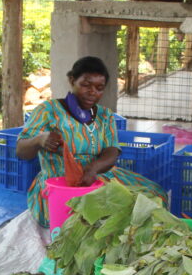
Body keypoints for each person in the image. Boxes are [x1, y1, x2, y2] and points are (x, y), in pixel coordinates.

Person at [15, 56, 166, 226]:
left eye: (99, 88)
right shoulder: (48, 111)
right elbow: (21, 151)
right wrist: (39, 140)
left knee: (154, 196)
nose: (92, 92)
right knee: (84, 219)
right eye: (86, 85)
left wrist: (93, 169)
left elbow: (112, 150)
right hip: (59, 186)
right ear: (72, 81)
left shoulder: (104, 115)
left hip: (97, 178)